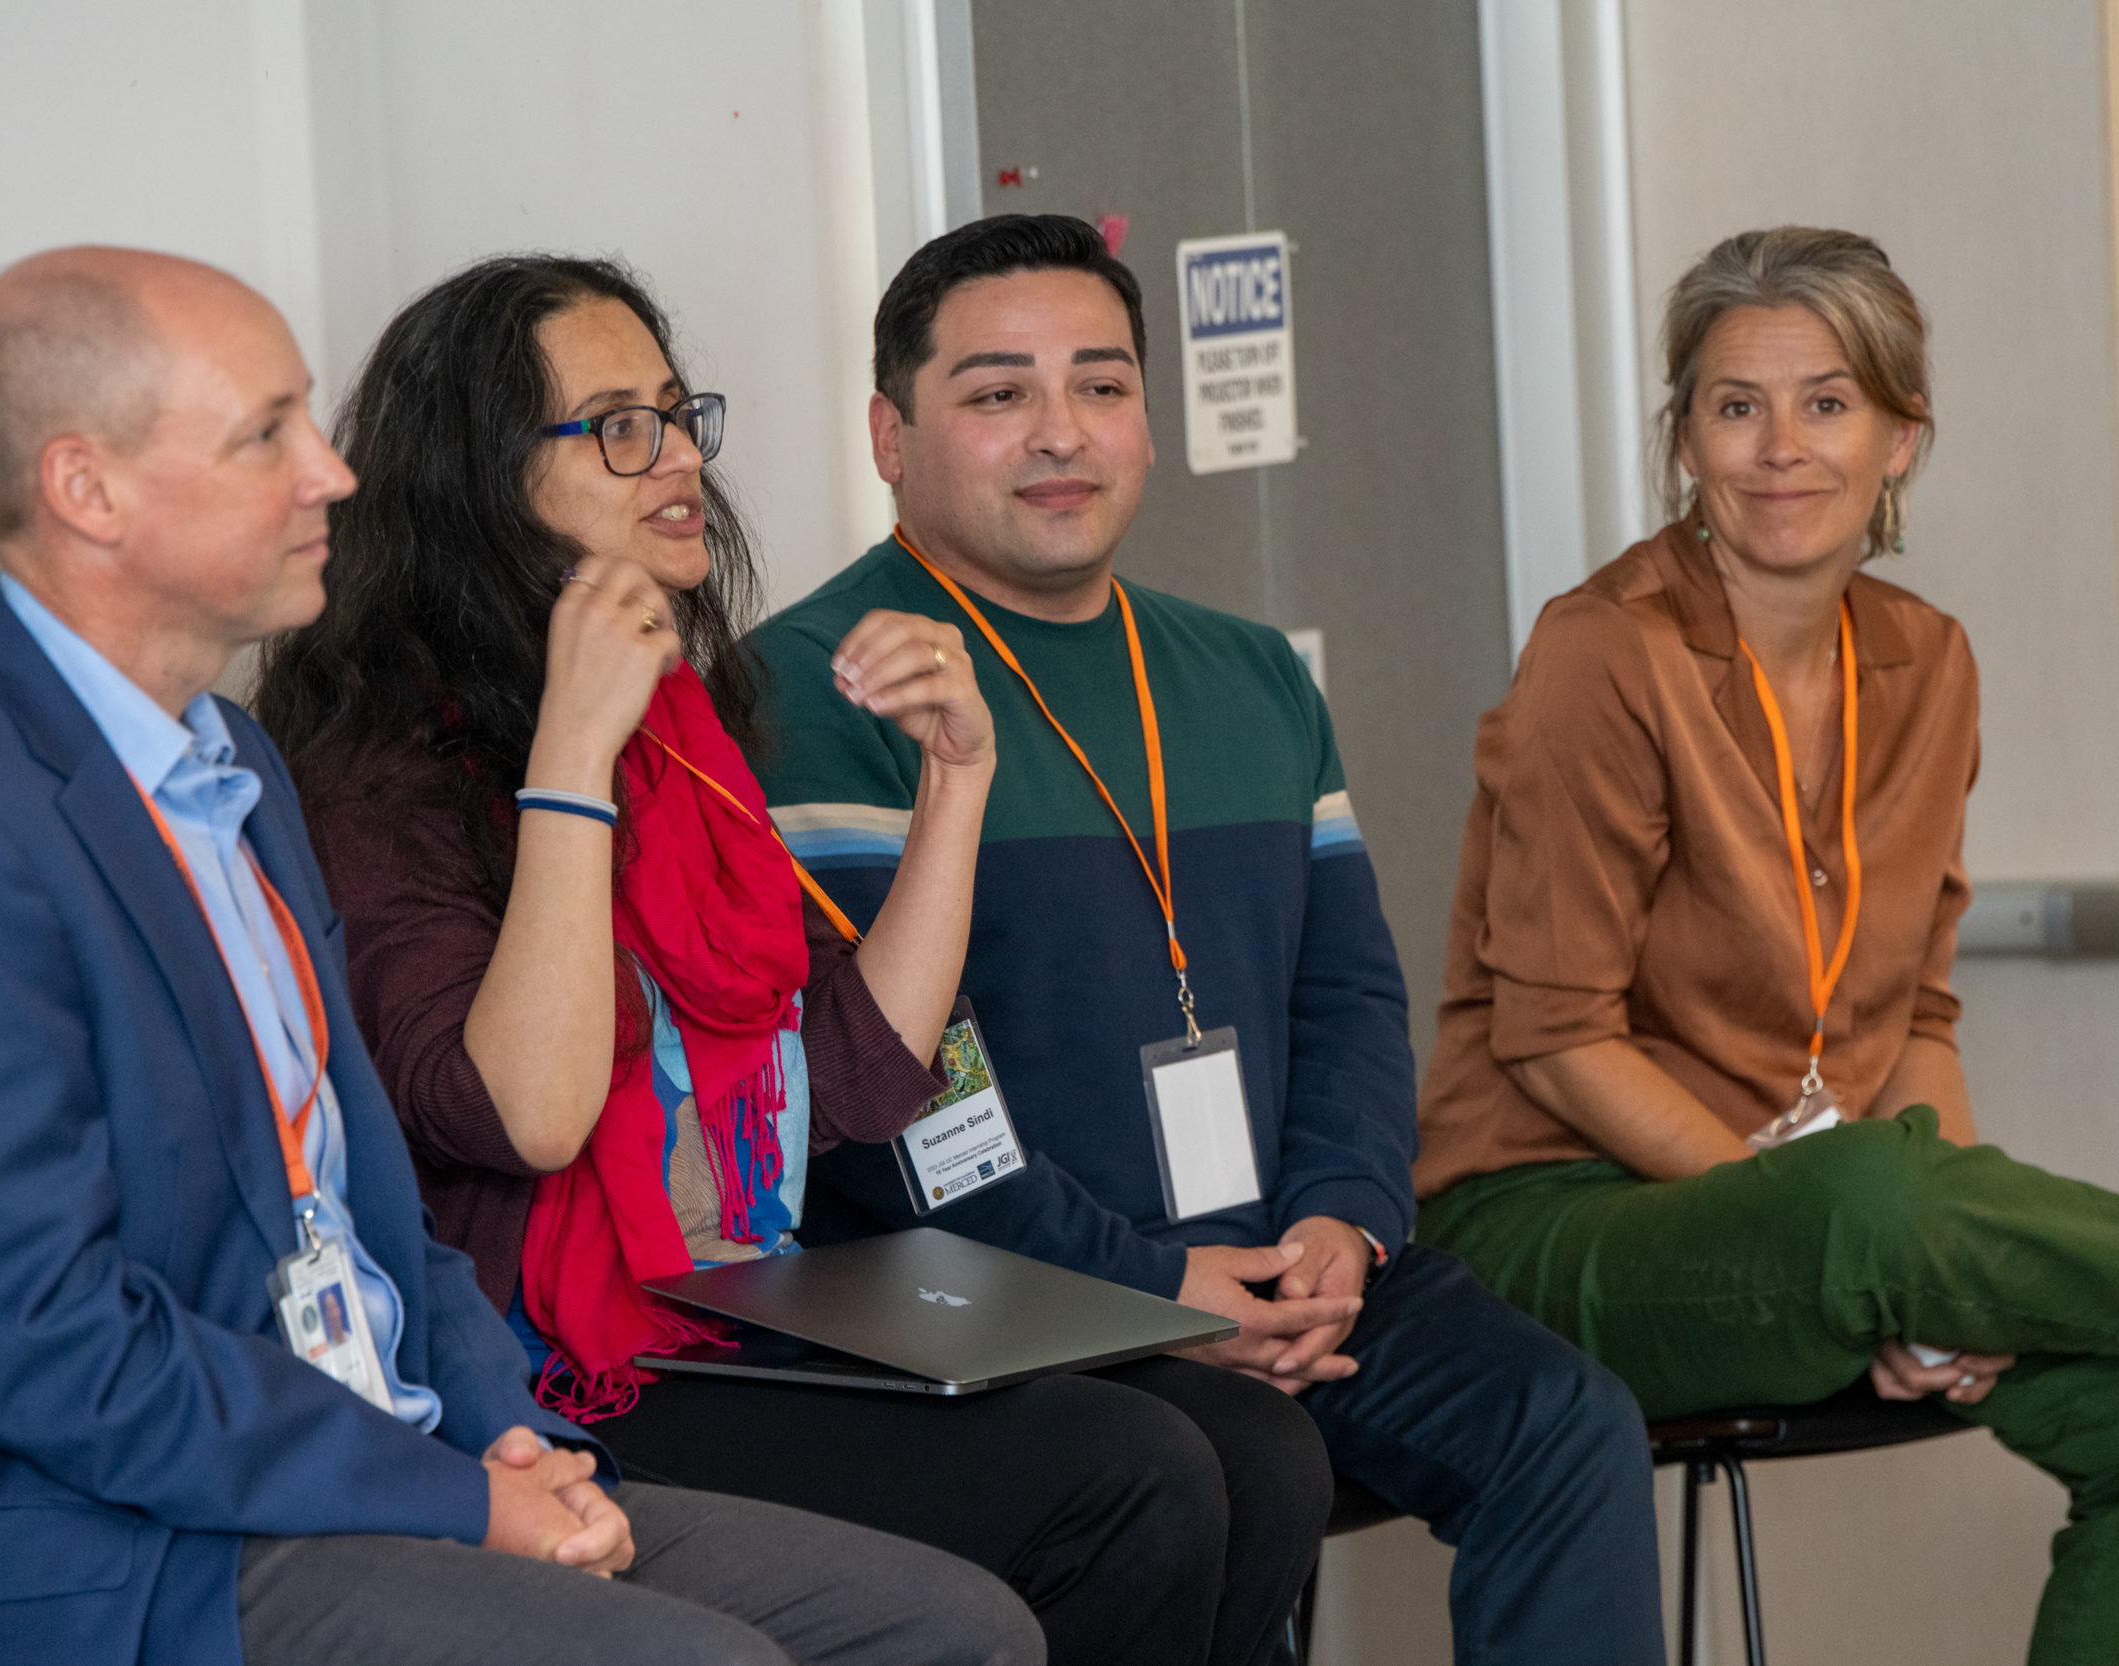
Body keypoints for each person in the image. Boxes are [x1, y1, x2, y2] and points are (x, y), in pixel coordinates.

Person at [0, 245, 1040, 1666]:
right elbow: (30, 1336)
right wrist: (453, 1491)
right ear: (88, 489)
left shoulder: (227, 760)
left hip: (381, 1457)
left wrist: (510, 1433)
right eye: (267, 434)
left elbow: (372, 1206)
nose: (330, 471)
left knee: (955, 1630)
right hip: (120, 1551)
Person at [252, 251, 1329, 1666]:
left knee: (1258, 1446)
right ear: (480, 478)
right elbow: (522, 1110)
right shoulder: (384, 772)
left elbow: (859, 1079)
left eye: (675, 414)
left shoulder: (684, 730)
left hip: (754, 1283)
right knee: (1132, 1476)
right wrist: (569, 758)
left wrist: (958, 777)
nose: (674, 462)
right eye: (614, 428)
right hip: (568, 1358)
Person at [746, 213, 1666, 1666]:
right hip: (991, 1290)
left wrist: (1341, 1225)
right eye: (997, 394)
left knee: (1562, 1421)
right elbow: (885, 1094)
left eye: (1103, 386)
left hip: (1280, 1260)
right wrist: (1147, 1286)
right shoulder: (821, 684)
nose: (1062, 433)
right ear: (889, 432)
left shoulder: (1247, 675)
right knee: (1225, 1468)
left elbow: (1349, 995)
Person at [1415, 224, 2119, 1664]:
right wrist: (1830, 1234)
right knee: (1873, 1195)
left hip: (1831, 1226)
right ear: (1684, 436)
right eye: (1735, 407)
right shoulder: (1601, 651)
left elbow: (1916, 1021)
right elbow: (1554, 1039)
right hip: (1558, 1219)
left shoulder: (1928, 663)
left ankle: (2118, 1287)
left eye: (1826, 403)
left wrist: (1923, 1271)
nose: (1778, 449)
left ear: (1901, 438)